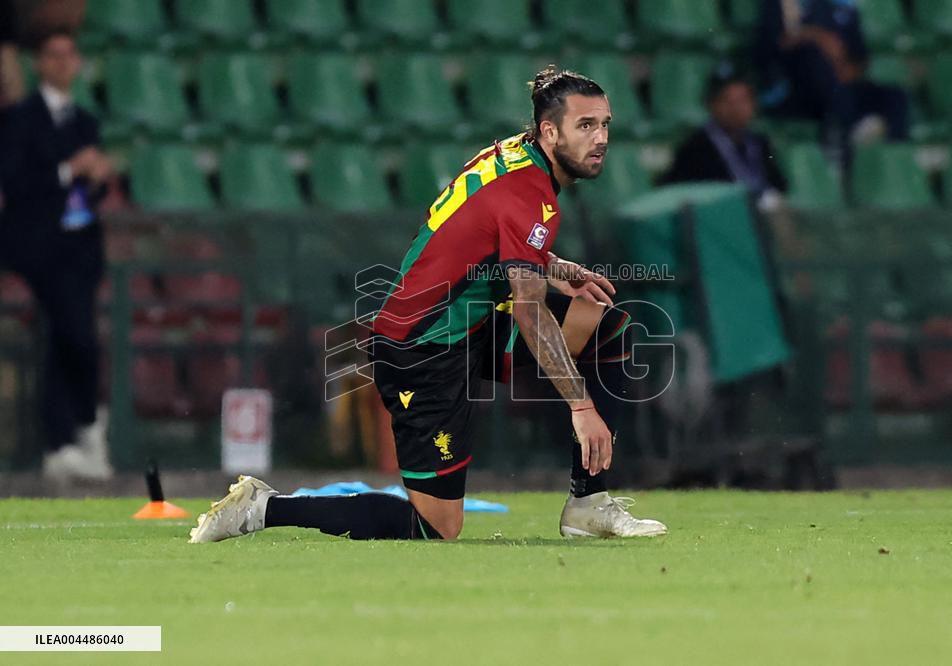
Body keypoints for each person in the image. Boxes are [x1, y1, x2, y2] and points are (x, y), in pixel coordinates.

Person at [189, 67, 668, 543]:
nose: (601, 137)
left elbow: (480, 231)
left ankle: (587, 504)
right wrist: (581, 407)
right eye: (586, 125)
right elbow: (527, 308)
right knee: (436, 527)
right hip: (421, 348)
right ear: (549, 130)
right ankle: (265, 507)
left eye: (605, 124)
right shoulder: (526, 192)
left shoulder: (515, 156)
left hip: (469, 323)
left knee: (605, 328)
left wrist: (555, 267)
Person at [0, 30, 113, 480]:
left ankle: (70, 438)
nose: (63, 63)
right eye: (54, 54)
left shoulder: (85, 120)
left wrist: (99, 176)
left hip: (80, 246)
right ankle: (80, 428)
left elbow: (93, 194)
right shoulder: (20, 119)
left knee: (72, 338)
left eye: (71, 54)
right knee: (72, 334)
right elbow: (16, 182)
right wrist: (70, 169)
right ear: (39, 63)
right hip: (38, 247)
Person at [755, 0, 909, 146]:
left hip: (841, 84)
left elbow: (860, 57)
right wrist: (817, 37)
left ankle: (892, 154)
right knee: (814, 58)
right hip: (800, 90)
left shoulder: (829, 7)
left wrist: (848, 70)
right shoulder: (777, 4)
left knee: (894, 96)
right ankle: (848, 140)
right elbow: (773, 46)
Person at [660, 66, 788, 211]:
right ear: (711, 104)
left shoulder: (761, 143)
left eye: (743, 100)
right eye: (727, 101)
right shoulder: (695, 148)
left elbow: (779, 185)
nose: (736, 109)